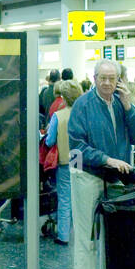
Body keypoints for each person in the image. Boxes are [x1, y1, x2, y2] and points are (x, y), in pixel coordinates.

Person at [66, 59, 135, 269]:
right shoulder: (83, 105)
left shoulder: (123, 104)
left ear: (119, 80)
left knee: (115, 235)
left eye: (113, 78)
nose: (108, 83)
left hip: (115, 179)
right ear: (95, 78)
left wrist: (130, 107)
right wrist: (106, 159)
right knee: (86, 236)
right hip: (88, 175)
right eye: (103, 78)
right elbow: (76, 147)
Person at [43, 79, 83, 246]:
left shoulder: (58, 116)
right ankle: (80, 232)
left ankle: (63, 236)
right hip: (79, 157)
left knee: (65, 198)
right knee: (79, 196)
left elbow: (50, 141)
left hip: (64, 159)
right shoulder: (83, 114)